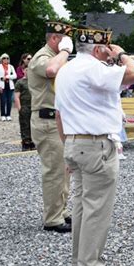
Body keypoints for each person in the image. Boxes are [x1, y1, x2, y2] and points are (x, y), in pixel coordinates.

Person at [55, 27, 134, 266]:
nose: (109, 54)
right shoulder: (95, 68)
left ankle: (78, 261)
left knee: (83, 206)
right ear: (96, 48)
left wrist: (67, 148)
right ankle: (90, 265)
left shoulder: (66, 70)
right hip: (96, 145)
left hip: (74, 142)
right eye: (106, 49)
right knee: (97, 209)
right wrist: (122, 55)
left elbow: (59, 116)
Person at [29, 21, 75, 233]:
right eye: (65, 39)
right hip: (46, 121)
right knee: (54, 171)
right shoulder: (42, 57)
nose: (68, 44)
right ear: (54, 38)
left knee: (65, 170)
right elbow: (51, 70)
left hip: (59, 120)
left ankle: (61, 210)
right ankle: (52, 219)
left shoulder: (56, 56)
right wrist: (65, 50)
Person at [14, 62, 35, 151]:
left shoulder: (35, 81)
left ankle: (33, 141)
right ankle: (26, 142)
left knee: (33, 125)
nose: (28, 71)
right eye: (26, 69)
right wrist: (19, 108)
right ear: (23, 70)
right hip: (24, 106)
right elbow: (16, 96)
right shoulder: (20, 82)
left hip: (34, 106)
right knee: (24, 124)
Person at [0, 53, 17, 121]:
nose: (6, 59)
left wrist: (7, 77)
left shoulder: (11, 66)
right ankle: (3, 115)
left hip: (10, 86)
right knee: (3, 100)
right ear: (1, 59)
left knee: (9, 101)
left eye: (7, 58)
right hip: (2, 86)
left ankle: (8, 115)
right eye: (4, 58)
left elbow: (15, 76)